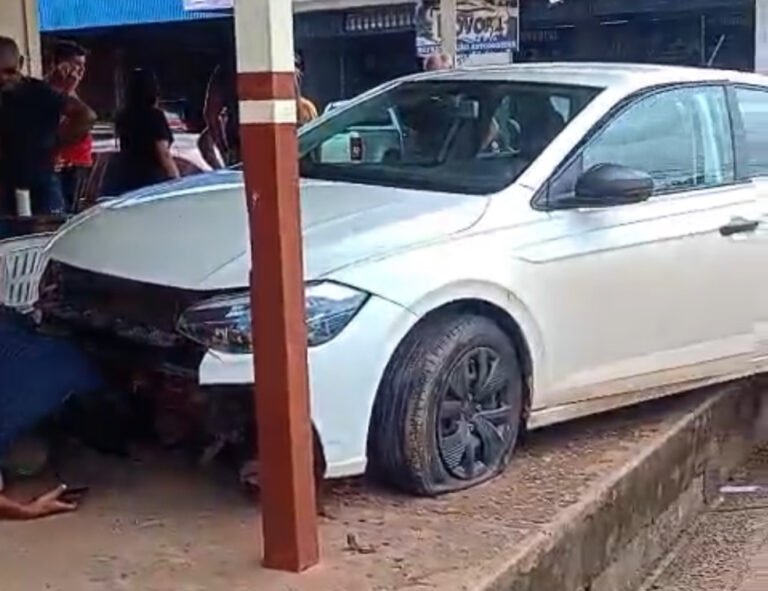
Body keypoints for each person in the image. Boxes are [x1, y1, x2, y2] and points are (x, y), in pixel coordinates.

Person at [0, 36, 95, 215]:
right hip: (8, 186)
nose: (3, 79)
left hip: (41, 183)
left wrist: (55, 142)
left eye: (9, 71)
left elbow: (86, 116)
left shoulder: (39, 92)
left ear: (20, 64)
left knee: (48, 236)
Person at [115, 69, 180, 192]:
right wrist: (176, 180)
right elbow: (163, 153)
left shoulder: (123, 117)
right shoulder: (155, 116)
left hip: (126, 177)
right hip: (150, 180)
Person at [47, 40, 94, 213]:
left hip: (79, 165)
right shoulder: (51, 92)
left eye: (83, 66)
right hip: (65, 168)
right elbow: (54, 124)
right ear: (61, 65)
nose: (80, 71)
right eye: (76, 65)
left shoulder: (70, 91)